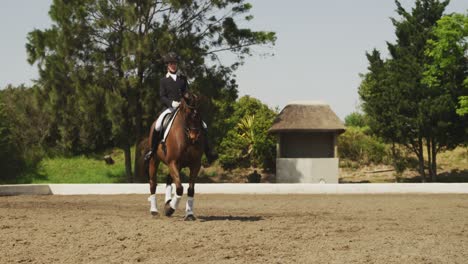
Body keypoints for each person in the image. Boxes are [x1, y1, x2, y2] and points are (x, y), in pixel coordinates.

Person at [144, 52, 217, 163]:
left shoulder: (182, 78)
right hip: (170, 108)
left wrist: (188, 97)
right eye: (171, 64)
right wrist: (171, 103)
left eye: (175, 63)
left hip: (184, 108)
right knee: (157, 125)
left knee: (203, 125)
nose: (173, 65)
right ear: (167, 65)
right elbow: (162, 96)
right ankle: (152, 150)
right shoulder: (163, 80)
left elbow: (187, 91)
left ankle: (208, 152)